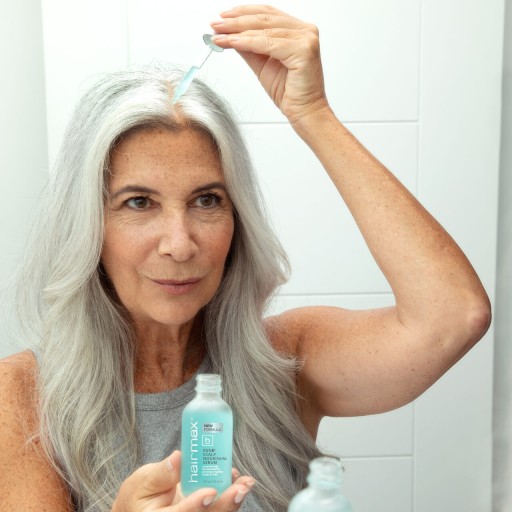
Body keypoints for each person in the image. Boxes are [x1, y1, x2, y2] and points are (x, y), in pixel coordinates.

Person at [0, 5, 491, 512]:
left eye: (206, 200)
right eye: (139, 202)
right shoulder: (22, 397)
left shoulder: (285, 361)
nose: (180, 244)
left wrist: (313, 114)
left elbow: (454, 317)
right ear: (88, 226)